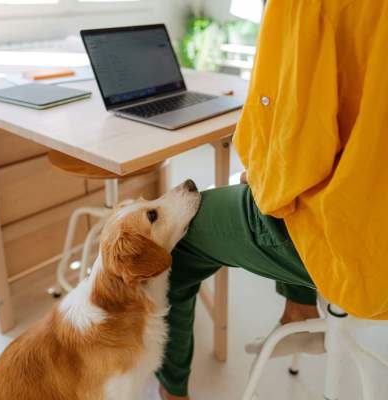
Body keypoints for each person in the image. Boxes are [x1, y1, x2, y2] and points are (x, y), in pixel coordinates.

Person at [158, 0, 388, 398]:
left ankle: (171, 391)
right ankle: (298, 308)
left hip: (368, 246)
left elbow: (294, 155)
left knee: (173, 241)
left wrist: (262, 172)